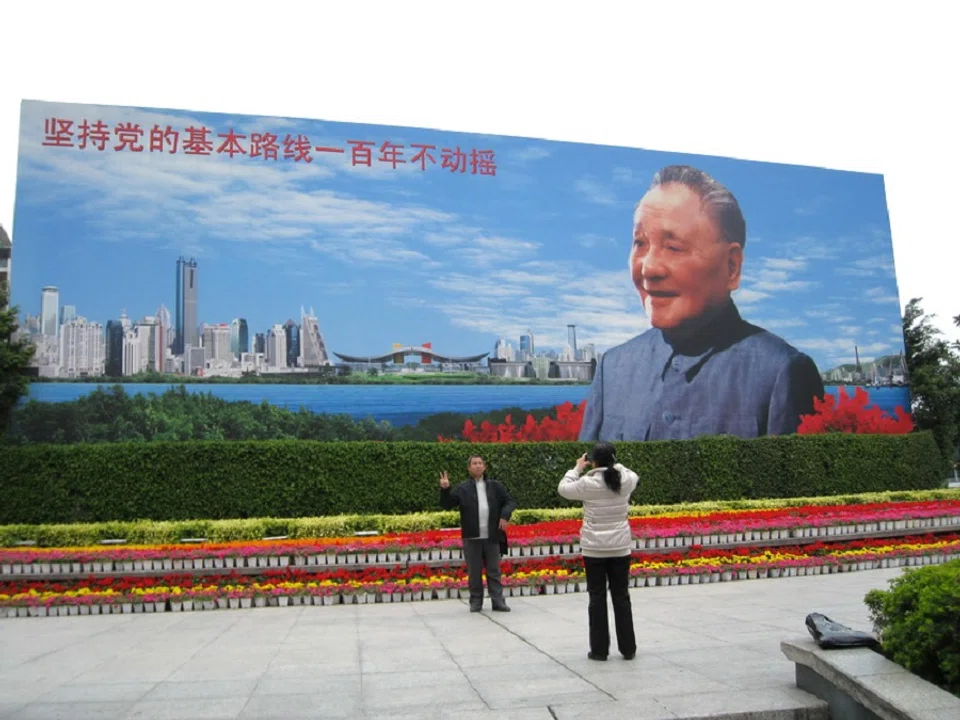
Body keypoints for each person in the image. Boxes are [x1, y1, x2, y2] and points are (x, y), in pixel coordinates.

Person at [578, 164, 825, 443]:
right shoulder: (613, 368)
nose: (649, 268)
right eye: (640, 243)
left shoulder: (781, 372)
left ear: (731, 266)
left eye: (673, 247)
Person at [558, 442, 639, 661]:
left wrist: (577, 468)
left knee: (597, 598)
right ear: (613, 460)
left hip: (594, 549)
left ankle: (600, 650)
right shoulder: (625, 480)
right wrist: (616, 464)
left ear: (592, 461)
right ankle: (628, 648)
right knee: (622, 597)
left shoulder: (586, 482)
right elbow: (633, 474)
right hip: (620, 548)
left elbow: (563, 488)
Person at [439, 455, 517, 612]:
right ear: (469, 468)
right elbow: (447, 504)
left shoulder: (495, 486)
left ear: (485, 466)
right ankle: (476, 601)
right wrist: (445, 489)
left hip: (492, 536)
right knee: (474, 572)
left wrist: (505, 515)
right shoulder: (462, 488)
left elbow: (510, 501)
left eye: (480, 463)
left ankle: (498, 601)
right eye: (474, 463)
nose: (477, 466)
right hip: (471, 537)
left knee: (494, 571)